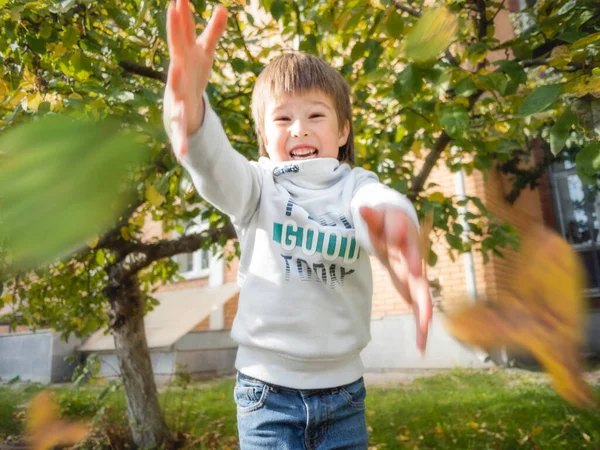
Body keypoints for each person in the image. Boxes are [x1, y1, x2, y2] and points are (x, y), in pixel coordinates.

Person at [163, 1, 432, 448]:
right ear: (265, 138)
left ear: (343, 131)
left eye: (315, 115)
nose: (299, 129)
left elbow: (377, 204)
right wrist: (193, 116)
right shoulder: (257, 186)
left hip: (345, 395)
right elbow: (215, 167)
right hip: (266, 397)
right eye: (283, 118)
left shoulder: (354, 186)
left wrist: (395, 224)